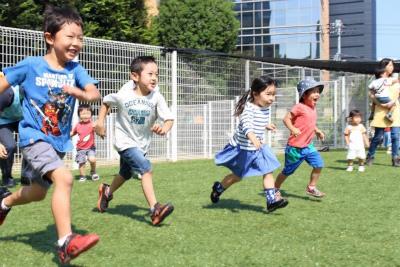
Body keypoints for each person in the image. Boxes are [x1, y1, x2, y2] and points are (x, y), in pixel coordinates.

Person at [0, 6, 100, 264]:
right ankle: (65, 242)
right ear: (50, 38)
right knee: (65, 178)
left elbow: (93, 94)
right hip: (33, 137)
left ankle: (4, 203)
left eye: (80, 37)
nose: (76, 42)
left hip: (57, 143)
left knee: (38, 192)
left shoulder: (75, 70)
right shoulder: (31, 66)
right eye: (70, 36)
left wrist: (79, 93)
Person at [95, 56, 175, 226]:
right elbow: (107, 102)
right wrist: (100, 123)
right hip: (124, 142)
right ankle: (155, 209)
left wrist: (164, 128)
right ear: (135, 76)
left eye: (157, 74)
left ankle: (106, 192)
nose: (154, 78)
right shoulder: (124, 93)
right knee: (146, 169)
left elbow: (169, 119)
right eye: (150, 74)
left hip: (141, 144)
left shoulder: (156, 97)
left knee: (125, 173)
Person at [210, 76, 288, 213]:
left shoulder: (265, 108)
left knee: (268, 171)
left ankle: (271, 201)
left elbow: (258, 121)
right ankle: (219, 188)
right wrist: (252, 137)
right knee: (237, 176)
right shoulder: (248, 109)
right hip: (244, 150)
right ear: (255, 94)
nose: (272, 98)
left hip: (258, 148)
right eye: (268, 94)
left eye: (274, 94)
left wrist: (266, 125)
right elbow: (246, 126)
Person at [274, 77, 326, 198]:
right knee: (288, 171)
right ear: (304, 95)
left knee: (319, 164)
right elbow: (286, 119)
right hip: (295, 148)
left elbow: (310, 124)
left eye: (318, 91)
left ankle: (311, 187)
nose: (317, 94)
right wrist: (292, 129)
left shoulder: (312, 108)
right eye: (313, 91)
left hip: (308, 146)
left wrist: (317, 131)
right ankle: (274, 188)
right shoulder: (299, 107)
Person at [366, 58, 400, 167]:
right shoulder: (378, 81)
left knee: (395, 136)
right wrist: (381, 104)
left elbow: (398, 94)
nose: (392, 67)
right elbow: (371, 95)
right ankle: (370, 156)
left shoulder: (395, 80)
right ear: (383, 67)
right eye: (389, 65)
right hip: (381, 110)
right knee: (378, 136)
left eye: (392, 65)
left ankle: (395, 158)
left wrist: (393, 102)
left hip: (394, 110)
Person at [0, 72, 23, 188]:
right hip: (3, 121)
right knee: (9, 146)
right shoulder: (6, 93)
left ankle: (28, 176)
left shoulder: (35, 92)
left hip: (21, 119)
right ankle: (7, 177)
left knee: (31, 141)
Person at [71, 103, 99, 182]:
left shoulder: (92, 124)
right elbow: (72, 133)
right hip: (80, 148)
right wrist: (65, 137)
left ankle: (93, 172)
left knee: (92, 159)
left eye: (87, 113)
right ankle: (82, 176)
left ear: (91, 114)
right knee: (81, 163)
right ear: (79, 115)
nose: (85, 115)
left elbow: (99, 131)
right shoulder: (78, 125)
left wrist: (97, 127)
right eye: (83, 114)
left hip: (90, 147)